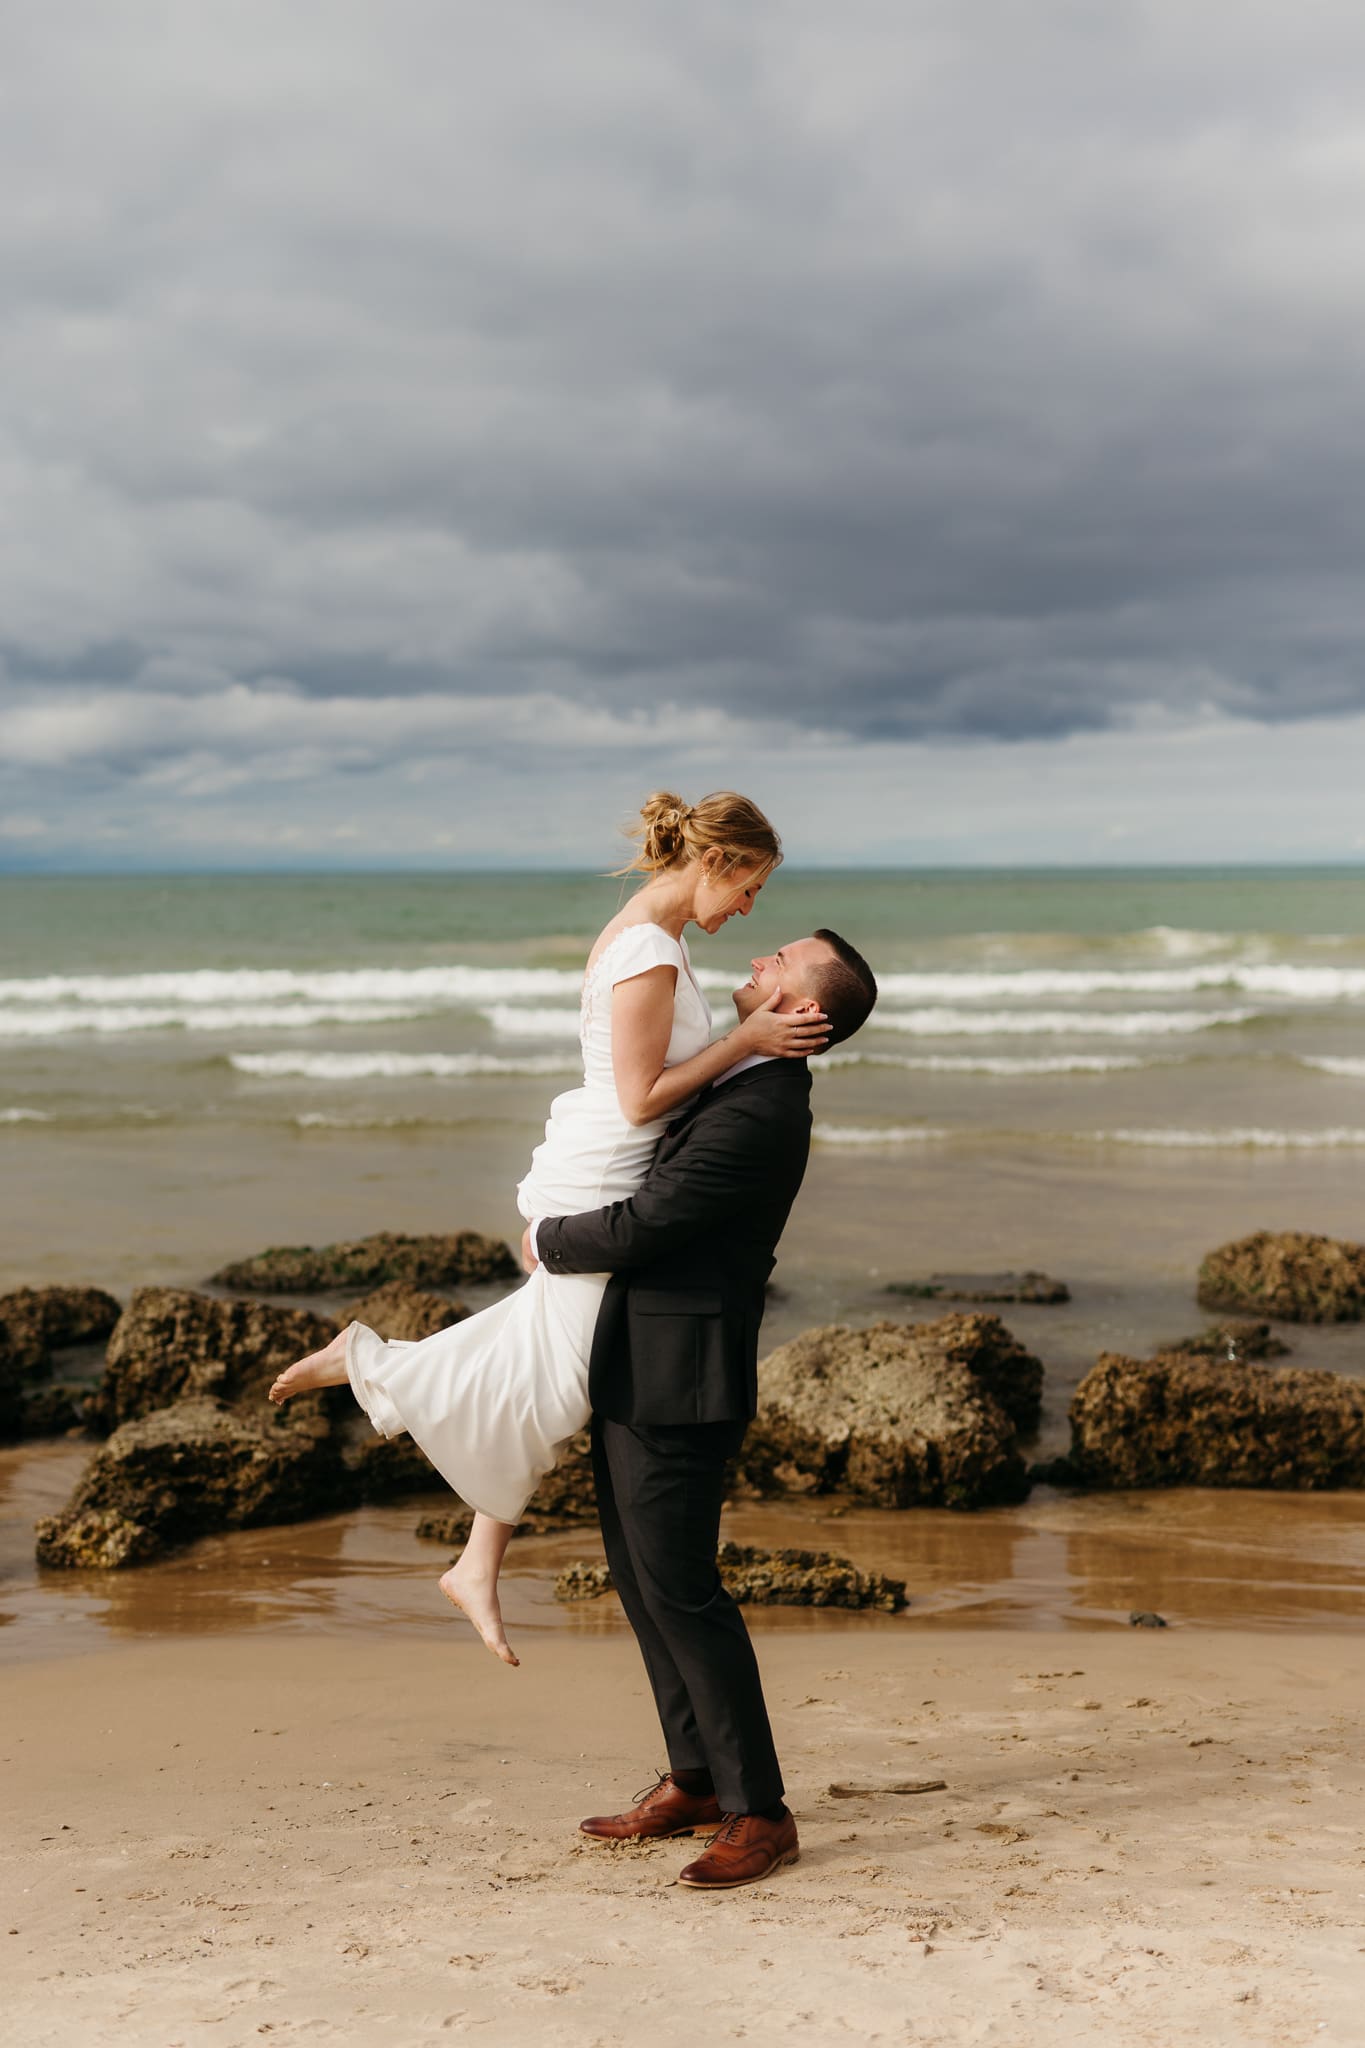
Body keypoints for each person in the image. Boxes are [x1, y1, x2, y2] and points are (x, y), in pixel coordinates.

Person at [267, 791, 828, 1663]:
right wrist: (747, 1042)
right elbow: (641, 1096)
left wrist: (739, 1049)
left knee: (554, 1364)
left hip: (606, 1155)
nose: (749, 909)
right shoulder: (647, 948)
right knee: (564, 1378)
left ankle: (472, 1552)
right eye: (749, 886)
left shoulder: (658, 938)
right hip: (605, 1165)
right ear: (716, 862)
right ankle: (375, 1369)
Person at [526, 925, 878, 1891]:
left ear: (804, 1009)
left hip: (681, 1378)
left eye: (779, 960)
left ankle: (759, 1810)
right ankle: (694, 1780)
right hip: (634, 1359)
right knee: (640, 1585)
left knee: (682, 1590)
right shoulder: (732, 1078)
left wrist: (546, 1238)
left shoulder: (764, 1106)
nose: (758, 959)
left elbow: (654, 1220)